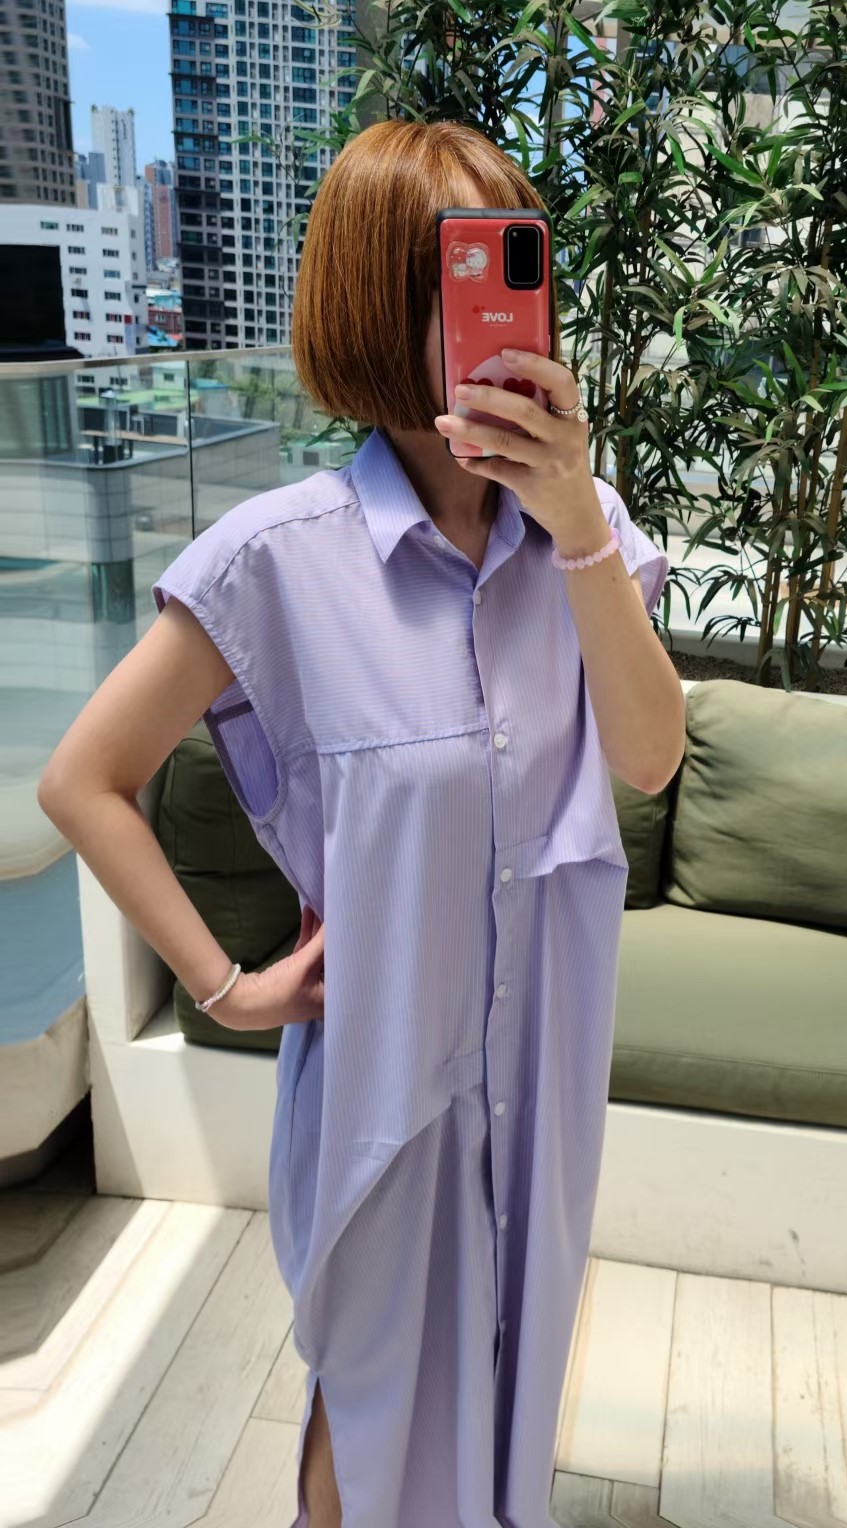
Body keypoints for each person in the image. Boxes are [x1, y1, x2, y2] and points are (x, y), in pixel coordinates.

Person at [37, 118, 685, 1528]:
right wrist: (230, 987)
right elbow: (82, 780)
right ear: (378, 307)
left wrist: (576, 520)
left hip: (544, 1062)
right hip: (388, 1084)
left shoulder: (586, 536)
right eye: (460, 273)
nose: (502, 309)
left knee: (518, 1371)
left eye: (516, 263)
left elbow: (649, 760)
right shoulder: (279, 559)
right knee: (372, 1398)